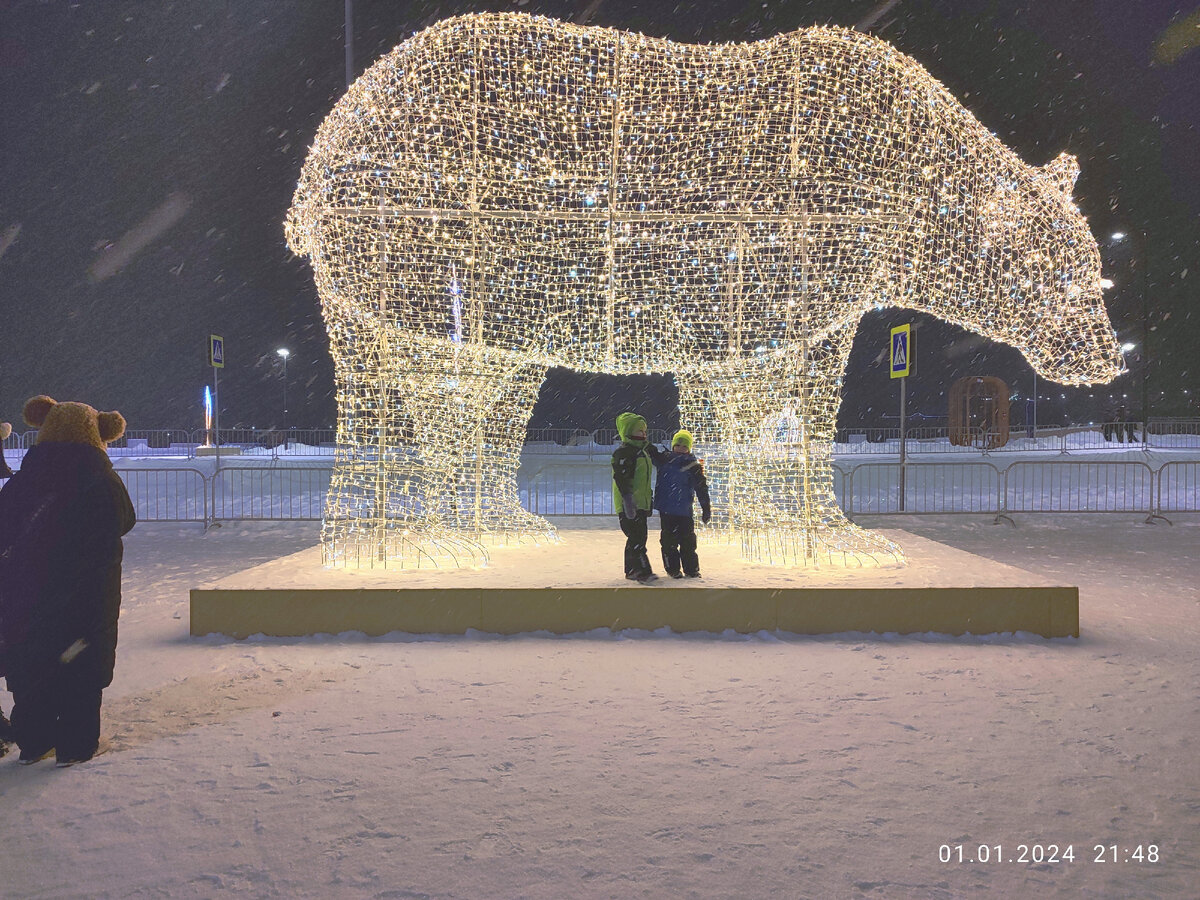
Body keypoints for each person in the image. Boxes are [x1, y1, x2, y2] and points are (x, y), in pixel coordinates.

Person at [0, 396, 136, 766]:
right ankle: (76, 746)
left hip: (26, 594)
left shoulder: (24, 481)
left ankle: (34, 741)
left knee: (32, 664)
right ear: (99, 434)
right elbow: (124, 520)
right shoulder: (102, 481)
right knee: (81, 663)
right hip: (85, 595)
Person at [653, 429, 712, 578]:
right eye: (678, 445)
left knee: (688, 541)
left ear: (689, 449)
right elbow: (650, 451)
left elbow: (701, 488)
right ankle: (672, 569)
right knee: (668, 542)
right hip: (667, 510)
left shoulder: (693, 466)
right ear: (673, 446)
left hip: (684, 511)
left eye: (684, 446)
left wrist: (706, 508)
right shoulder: (664, 460)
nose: (680, 449)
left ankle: (691, 569)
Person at [611, 411, 661, 582]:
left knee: (636, 537)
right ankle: (642, 571)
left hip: (640, 502)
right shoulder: (625, 453)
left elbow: (658, 460)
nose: (644, 434)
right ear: (628, 431)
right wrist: (628, 500)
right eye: (640, 431)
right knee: (638, 538)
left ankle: (631, 569)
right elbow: (621, 478)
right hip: (629, 504)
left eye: (645, 430)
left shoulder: (643, 450)